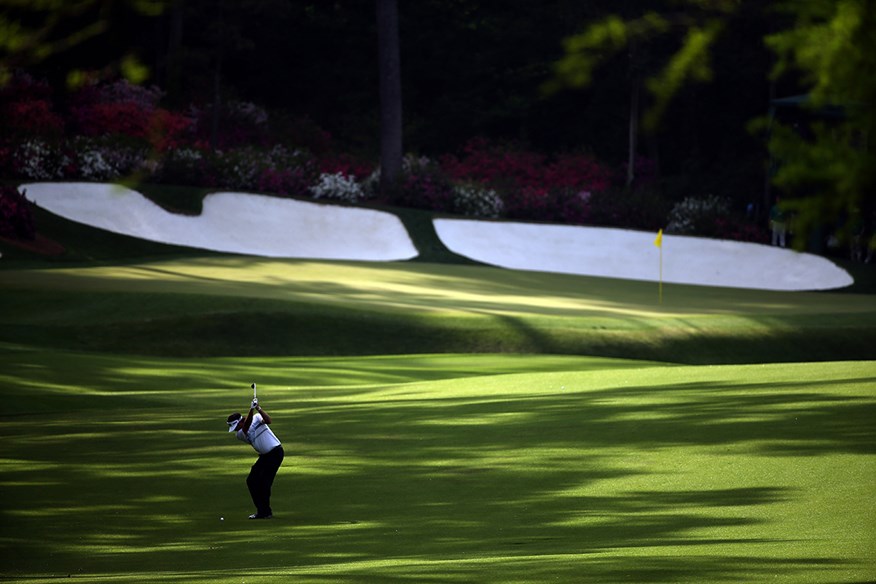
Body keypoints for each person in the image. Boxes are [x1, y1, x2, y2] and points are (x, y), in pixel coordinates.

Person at [226, 397, 284, 519]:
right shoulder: (240, 434)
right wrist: (251, 409)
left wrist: (258, 408)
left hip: (275, 453)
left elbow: (269, 420)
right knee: (251, 481)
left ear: (240, 421)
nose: (236, 430)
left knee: (264, 483)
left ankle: (265, 512)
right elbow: (247, 426)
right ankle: (262, 511)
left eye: (236, 426)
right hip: (265, 457)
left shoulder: (257, 417)